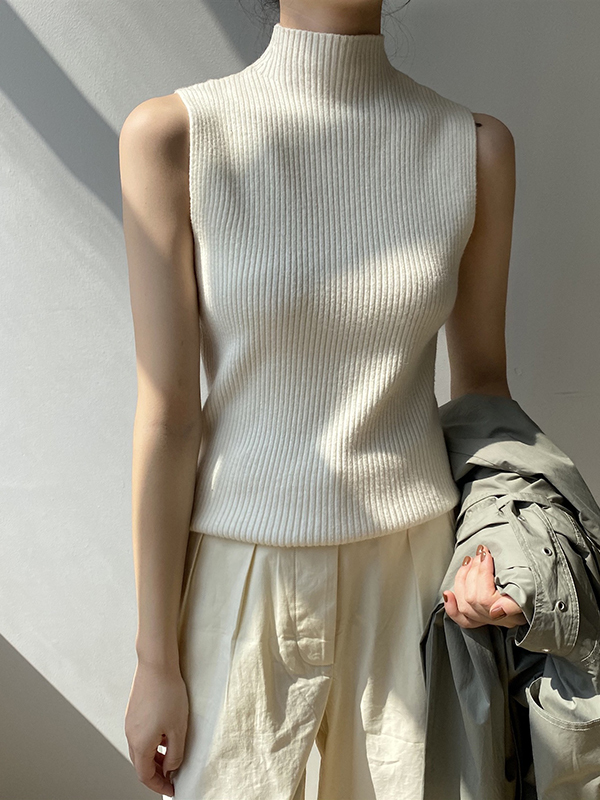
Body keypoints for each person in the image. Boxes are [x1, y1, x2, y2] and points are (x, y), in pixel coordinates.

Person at [119, 2, 527, 798]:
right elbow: (168, 416)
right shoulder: (176, 137)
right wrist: (153, 660)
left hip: (418, 578)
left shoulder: (474, 148)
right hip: (240, 576)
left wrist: (493, 551)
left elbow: (483, 385)